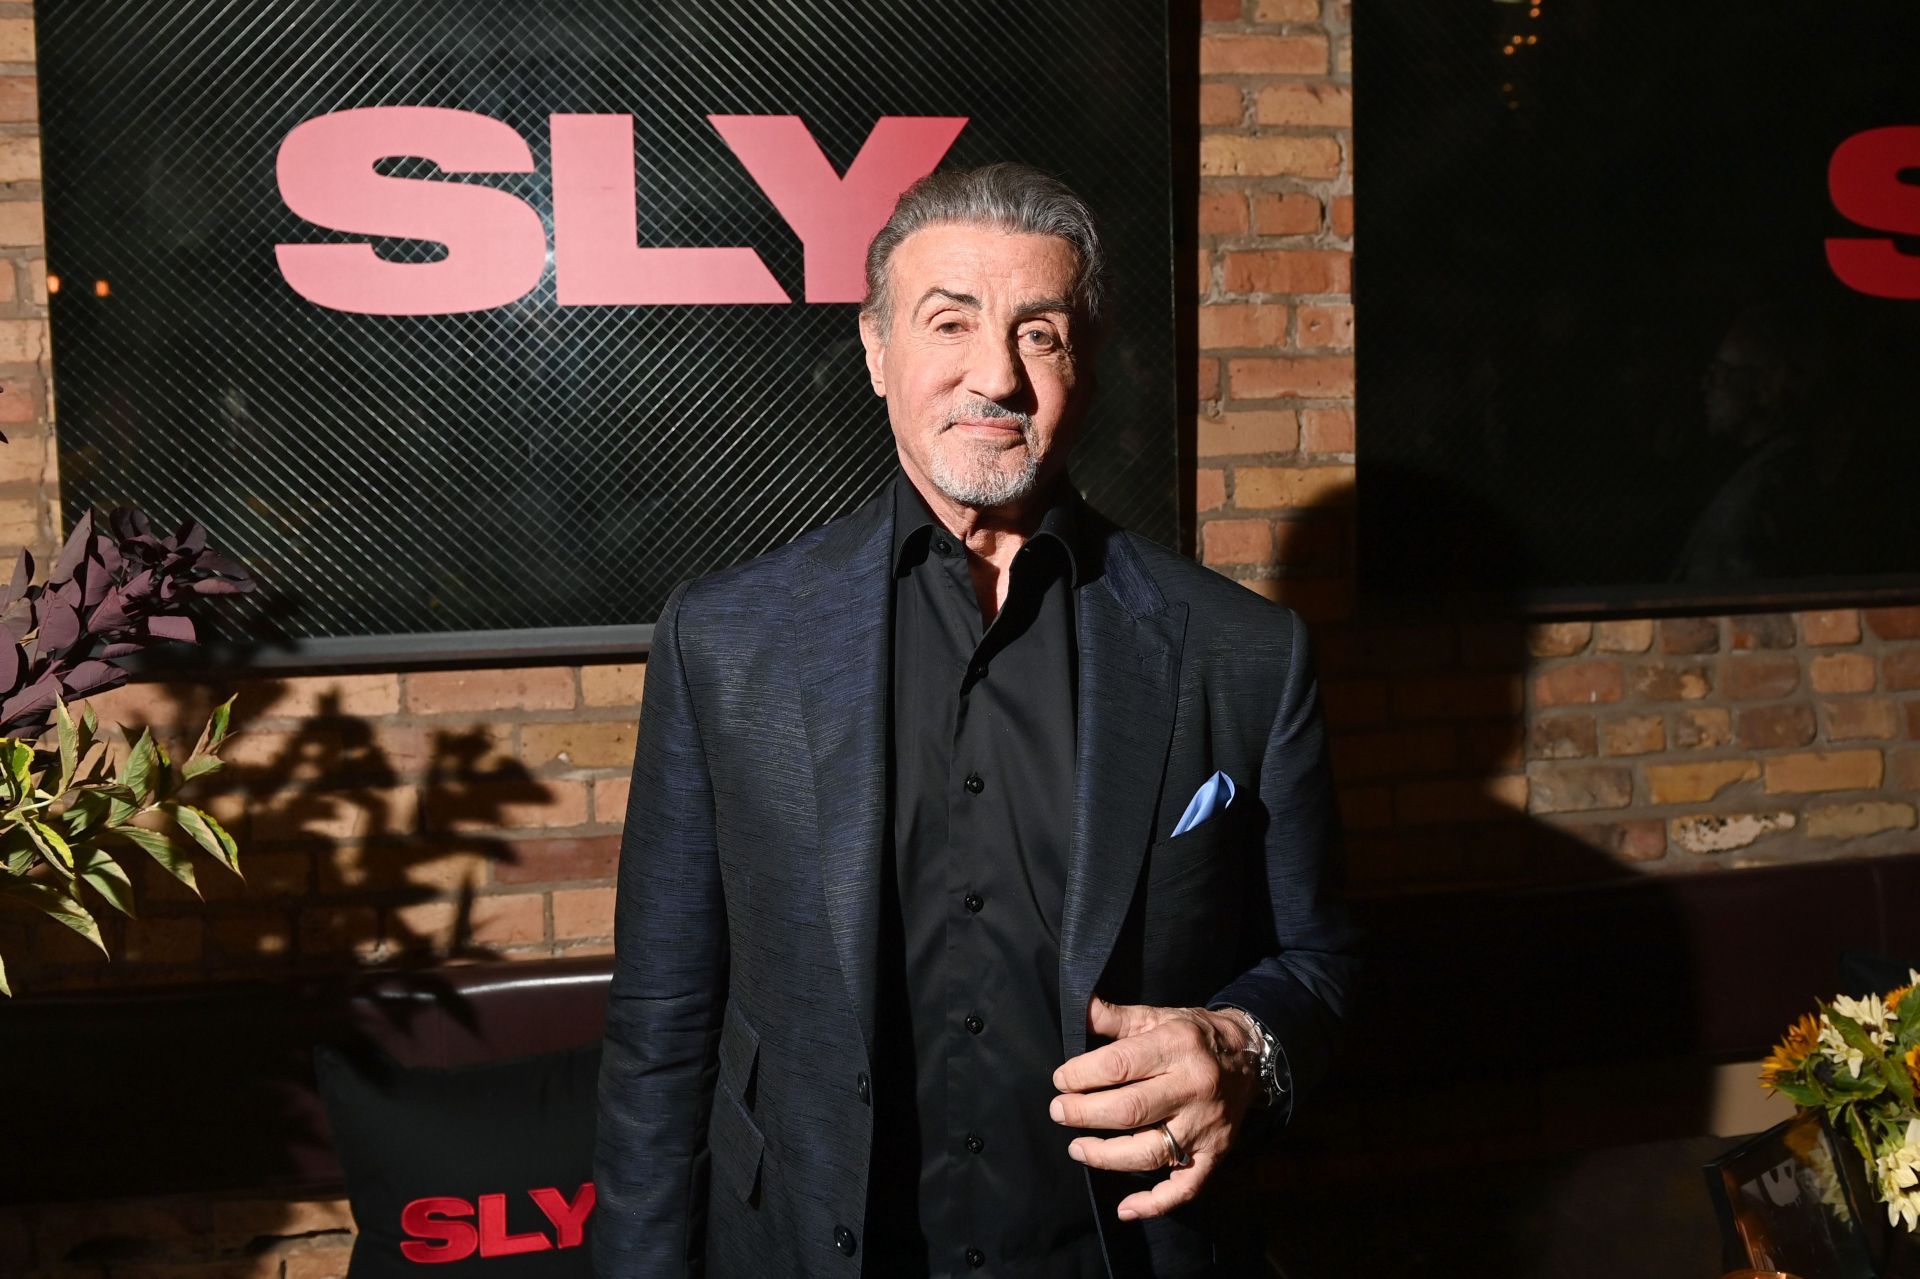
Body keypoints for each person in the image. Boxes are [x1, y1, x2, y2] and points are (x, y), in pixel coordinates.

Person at [594, 163, 1359, 1279]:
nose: (995, 373)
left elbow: (1322, 959)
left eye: (1040, 334)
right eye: (948, 321)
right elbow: (661, 1029)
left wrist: (1250, 1047)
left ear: (1086, 366)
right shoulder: (726, 639)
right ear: (875, 350)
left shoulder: (1244, 651)